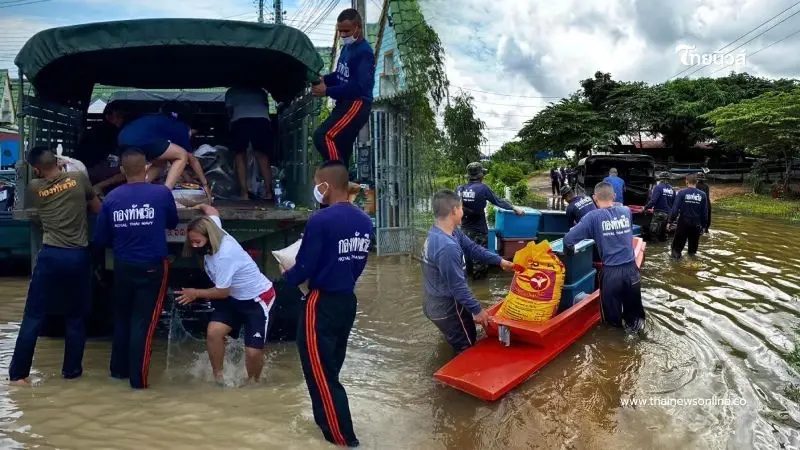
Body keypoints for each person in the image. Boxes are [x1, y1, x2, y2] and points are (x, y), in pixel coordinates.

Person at [280, 161, 371, 448]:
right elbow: (359, 265)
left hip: (320, 303)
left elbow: (305, 265)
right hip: (347, 301)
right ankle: (328, 430)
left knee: (322, 377)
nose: (315, 189)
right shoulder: (364, 221)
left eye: (316, 183)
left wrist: (286, 277)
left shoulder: (321, 220)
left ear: (326, 186)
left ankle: (345, 440)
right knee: (329, 371)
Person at [8, 146, 101, 386]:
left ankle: (18, 376)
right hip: (78, 256)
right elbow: (96, 207)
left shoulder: (35, 188)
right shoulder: (78, 179)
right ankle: (71, 373)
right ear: (58, 162)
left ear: (36, 169)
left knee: (33, 316)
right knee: (76, 318)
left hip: (51, 256)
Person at [92, 147, 179, 389]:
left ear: (122, 171)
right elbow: (172, 222)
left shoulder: (111, 198)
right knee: (145, 323)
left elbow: (101, 238)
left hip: (123, 266)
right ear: (147, 168)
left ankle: (117, 373)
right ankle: (138, 383)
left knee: (122, 319)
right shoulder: (161, 194)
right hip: (152, 266)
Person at [175, 204, 276, 384]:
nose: (194, 246)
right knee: (214, 332)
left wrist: (194, 293)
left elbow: (221, 292)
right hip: (233, 297)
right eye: (191, 241)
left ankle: (253, 384)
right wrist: (197, 205)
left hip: (257, 299)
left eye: (198, 242)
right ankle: (219, 378)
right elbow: (212, 212)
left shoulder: (224, 256)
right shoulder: (214, 228)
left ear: (209, 238)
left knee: (252, 352)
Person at [422, 190, 515, 355]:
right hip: (448, 308)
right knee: (467, 346)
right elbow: (458, 287)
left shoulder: (446, 232)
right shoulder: (446, 246)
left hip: (434, 303)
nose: (463, 212)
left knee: (457, 337)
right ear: (454, 211)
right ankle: (450, 379)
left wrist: (499, 261)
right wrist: (478, 310)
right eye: (461, 208)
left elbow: (472, 248)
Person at [564, 182, 645, 332]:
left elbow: (568, 240)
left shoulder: (592, 217)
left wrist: (570, 254)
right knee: (636, 321)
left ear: (595, 198)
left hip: (611, 275)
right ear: (614, 196)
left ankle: (615, 350)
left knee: (611, 325)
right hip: (632, 271)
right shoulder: (626, 211)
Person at [311, 9, 374, 169]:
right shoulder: (347, 48)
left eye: (346, 31)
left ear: (358, 28)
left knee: (323, 136)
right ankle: (342, 186)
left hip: (356, 104)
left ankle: (336, 174)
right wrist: (324, 80)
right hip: (345, 103)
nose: (343, 35)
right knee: (340, 147)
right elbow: (340, 75)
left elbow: (358, 87)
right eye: (340, 31)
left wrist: (327, 91)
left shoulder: (364, 52)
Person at [117, 101, 211, 196]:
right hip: (140, 140)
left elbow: (171, 157)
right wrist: (205, 184)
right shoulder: (181, 127)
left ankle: (139, 188)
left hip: (123, 138)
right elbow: (192, 160)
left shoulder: (161, 120)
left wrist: (187, 178)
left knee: (161, 163)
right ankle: (165, 193)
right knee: (182, 155)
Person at [456, 162, 523, 280]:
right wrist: (514, 208)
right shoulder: (482, 188)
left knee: (467, 258)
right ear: (481, 175)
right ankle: (481, 288)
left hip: (464, 231)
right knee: (481, 259)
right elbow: (498, 201)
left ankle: (469, 284)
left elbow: (455, 207)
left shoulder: (460, 189)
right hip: (479, 232)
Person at [225, 85, 275, 201]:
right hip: (261, 120)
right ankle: (268, 192)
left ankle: (244, 194)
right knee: (262, 155)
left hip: (240, 120)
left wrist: (230, 124)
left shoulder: (232, 91)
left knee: (240, 154)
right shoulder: (261, 91)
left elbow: (229, 111)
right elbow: (266, 107)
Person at [75, 102, 127, 196]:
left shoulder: (114, 132)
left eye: (123, 116)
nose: (122, 119)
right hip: (98, 169)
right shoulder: (110, 132)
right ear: (108, 117)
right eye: (119, 116)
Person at [668, 173, 709, 259]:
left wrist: (670, 222)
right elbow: (705, 213)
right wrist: (704, 226)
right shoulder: (703, 195)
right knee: (692, 251)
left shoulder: (682, 193)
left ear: (686, 181)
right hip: (696, 225)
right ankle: (692, 266)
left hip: (683, 223)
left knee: (676, 249)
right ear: (696, 181)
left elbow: (675, 210)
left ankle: (675, 267)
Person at [644, 172, 676, 242]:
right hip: (668, 215)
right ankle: (662, 248)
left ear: (661, 179)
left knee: (653, 232)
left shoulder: (658, 187)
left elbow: (653, 201)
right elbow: (674, 205)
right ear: (668, 179)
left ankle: (654, 249)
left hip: (659, 213)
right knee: (663, 234)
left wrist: (645, 208)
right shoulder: (673, 190)